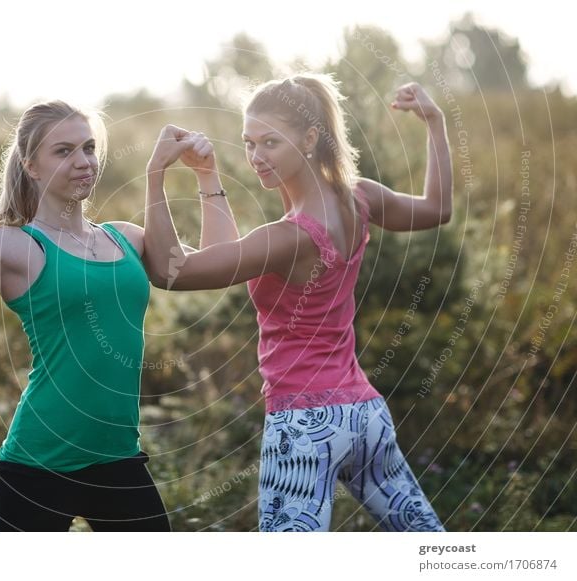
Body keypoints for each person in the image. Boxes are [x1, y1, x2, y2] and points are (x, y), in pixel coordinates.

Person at [0, 100, 228, 531]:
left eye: (89, 148)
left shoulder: (127, 239)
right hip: (37, 467)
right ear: (32, 166)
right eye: (64, 151)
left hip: (119, 462)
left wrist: (202, 174)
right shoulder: (12, 247)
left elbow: (216, 266)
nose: (84, 162)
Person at [143, 74, 452, 531]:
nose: (256, 157)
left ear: (310, 138)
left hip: (303, 425)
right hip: (363, 415)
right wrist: (436, 123)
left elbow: (175, 272)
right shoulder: (358, 198)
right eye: (249, 143)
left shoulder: (286, 239)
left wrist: (155, 178)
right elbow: (437, 208)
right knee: (427, 542)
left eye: (270, 142)